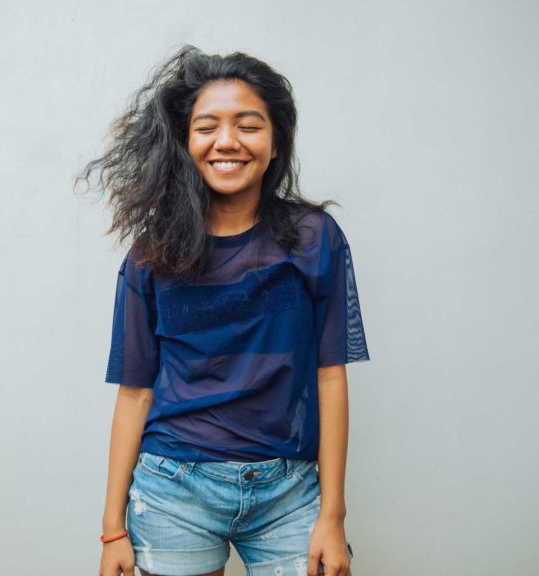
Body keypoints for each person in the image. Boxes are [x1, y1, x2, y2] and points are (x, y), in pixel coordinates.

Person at [78, 45, 370, 576]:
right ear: (185, 142)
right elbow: (136, 392)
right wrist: (112, 529)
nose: (227, 142)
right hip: (174, 489)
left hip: (289, 491)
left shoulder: (314, 239)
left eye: (248, 125)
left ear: (275, 139)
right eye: (207, 126)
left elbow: (330, 378)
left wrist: (333, 515)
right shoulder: (151, 256)